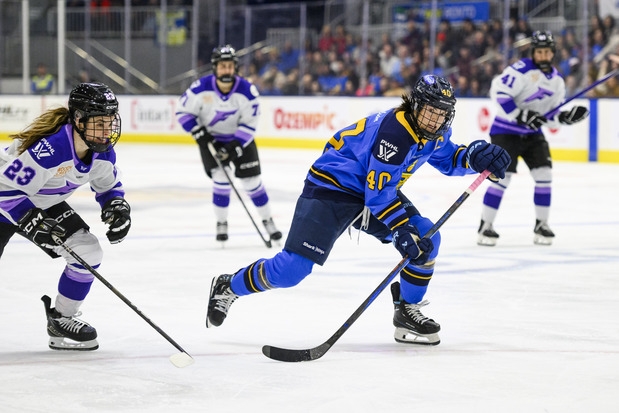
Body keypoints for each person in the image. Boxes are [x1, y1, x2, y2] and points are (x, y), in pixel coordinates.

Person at [206, 74, 511, 345]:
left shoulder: (435, 131)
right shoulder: (395, 133)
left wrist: (474, 157)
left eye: (441, 114)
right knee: (292, 270)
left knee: (426, 236)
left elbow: (447, 159)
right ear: (416, 105)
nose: (435, 120)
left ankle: (407, 310)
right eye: (431, 112)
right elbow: (378, 195)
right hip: (332, 187)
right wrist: (400, 229)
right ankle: (229, 286)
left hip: (372, 189)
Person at [0, 83, 131, 351]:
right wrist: (30, 219)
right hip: (6, 200)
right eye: (100, 123)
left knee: (88, 251)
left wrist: (116, 206)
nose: (107, 130)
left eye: (110, 122)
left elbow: (108, 186)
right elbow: (5, 190)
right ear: (79, 120)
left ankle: (61, 319)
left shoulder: (102, 150)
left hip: (42, 202)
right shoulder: (53, 148)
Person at [477, 31, 589, 247]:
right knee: (502, 178)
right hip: (506, 131)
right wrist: (521, 115)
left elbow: (549, 116)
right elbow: (499, 93)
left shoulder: (557, 81)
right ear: (533, 53)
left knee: (544, 174)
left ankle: (542, 224)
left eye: (547, 52)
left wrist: (564, 118)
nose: (543, 56)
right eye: (539, 52)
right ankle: (485, 225)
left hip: (532, 134)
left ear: (553, 53)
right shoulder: (521, 70)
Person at [176, 44, 282, 244]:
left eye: (230, 66)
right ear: (215, 67)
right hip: (211, 140)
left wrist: (236, 145)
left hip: (240, 140)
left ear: (235, 68)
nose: (226, 70)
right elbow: (183, 112)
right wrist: (198, 132)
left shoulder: (247, 90)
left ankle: (268, 220)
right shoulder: (200, 88)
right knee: (221, 179)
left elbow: (251, 123)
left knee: (252, 182)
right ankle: (221, 222)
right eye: (222, 66)